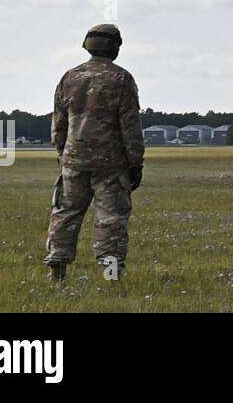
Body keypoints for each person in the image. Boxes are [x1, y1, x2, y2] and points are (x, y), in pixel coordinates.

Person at [44, 24, 144, 282]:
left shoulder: (69, 78)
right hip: (111, 165)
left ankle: (56, 272)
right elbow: (130, 126)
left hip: (73, 161)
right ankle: (111, 276)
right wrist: (135, 163)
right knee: (111, 219)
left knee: (64, 215)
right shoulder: (121, 79)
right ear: (115, 47)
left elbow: (59, 124)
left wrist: (63, 156)